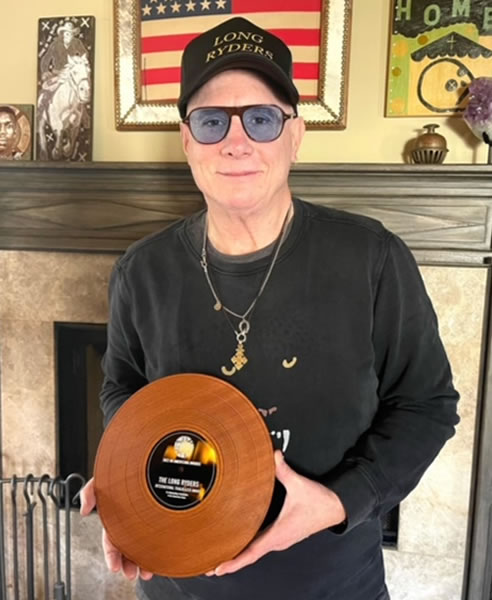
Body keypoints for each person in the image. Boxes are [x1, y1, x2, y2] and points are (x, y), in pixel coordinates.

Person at [80, 16, 459, 600]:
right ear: (187, 140)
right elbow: (123, 391)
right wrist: (124, 479)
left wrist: (339, 500)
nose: (237, 142)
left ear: (294, 135)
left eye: (261, 119)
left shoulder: (372, 257)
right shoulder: (141, 270)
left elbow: (428, 405)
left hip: (333, 588)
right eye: (211, 122)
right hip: (179, 587)